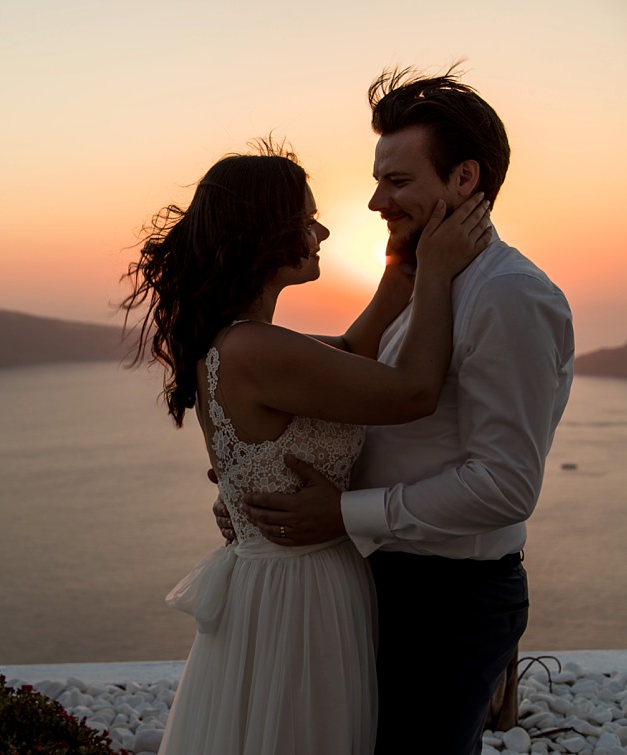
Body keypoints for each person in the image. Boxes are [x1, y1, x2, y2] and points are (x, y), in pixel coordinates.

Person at [220, 66, 575, 754]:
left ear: (465, 179)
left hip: (449, 604)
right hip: (379, 580)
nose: (377, 201)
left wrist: (340, 513)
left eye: (398, 181)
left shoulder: (509, 297)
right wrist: (269, 491)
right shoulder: (419, 282)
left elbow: (506, 484)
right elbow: (369, 407)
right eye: (378, 179)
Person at [120, 139, 492, 753]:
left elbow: (353, 351)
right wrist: (440, 274)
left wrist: (404, 264)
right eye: (306, 217)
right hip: (300, 592)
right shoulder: (256, 350)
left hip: (282, 581)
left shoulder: (246, 342)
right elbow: (413, 392)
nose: (321, 230)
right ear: (265, 233)